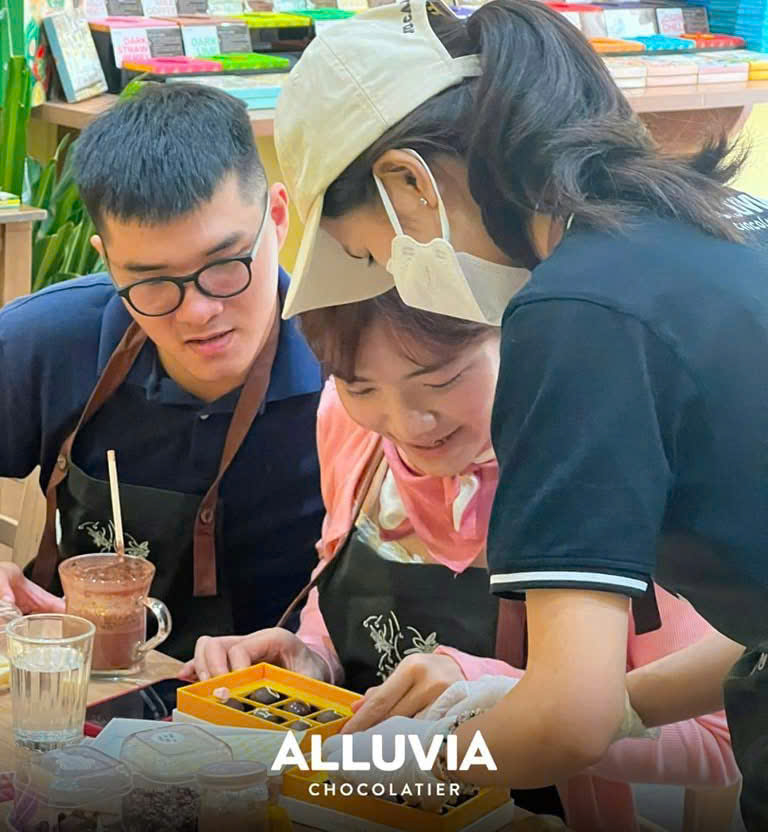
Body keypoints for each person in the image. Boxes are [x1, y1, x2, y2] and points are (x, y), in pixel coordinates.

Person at [271, 0, 768, 826]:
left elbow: (565, 718)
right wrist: (628, 705)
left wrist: (376, 778)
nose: (390, 278)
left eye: (370, 254)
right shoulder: (718, 226)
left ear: (408, 184)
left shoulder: (574, 309)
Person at [186, 289, 739, 831]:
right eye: (362, 386)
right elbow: (338, 592)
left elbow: (717, 740)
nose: (408, 425)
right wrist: (310, 658)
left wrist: (486, 693)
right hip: (349, 799)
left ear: (520, 338)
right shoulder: (350, 425)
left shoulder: (598, 467)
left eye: (441, 379)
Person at [0, 83, 324, 658]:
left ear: (277, 218)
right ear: (107, 260)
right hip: (77, 691)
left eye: (225, 266)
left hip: (274, 714)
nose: (199, 311)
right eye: (150, 282)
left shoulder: (355, 369)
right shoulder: (48, 340)